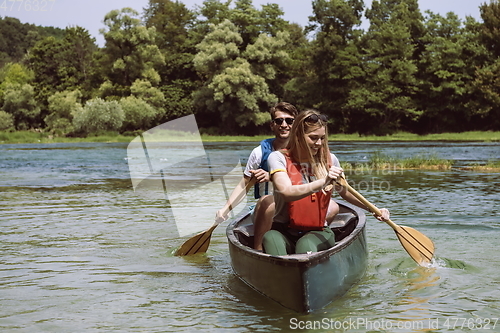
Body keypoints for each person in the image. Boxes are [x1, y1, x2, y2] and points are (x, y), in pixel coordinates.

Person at [262, 109, 390, 255]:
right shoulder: (277, 158)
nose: (319, 143)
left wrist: (374, 210)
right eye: (313, 138)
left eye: (322, 138)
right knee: (270, 237)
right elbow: (286, 192)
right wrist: (324, 181)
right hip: (282, 230)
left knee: (305, 245)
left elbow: (346, 192)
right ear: (298, 136)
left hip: (318, 231)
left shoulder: (330, 160)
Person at [215, 102, 298, 248]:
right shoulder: (259, 153)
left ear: (295, 124)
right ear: (272, 125)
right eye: (279, 121)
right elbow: (244, 185)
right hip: (265, 210)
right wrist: (225, 209)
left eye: (289, 120)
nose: (284, 124)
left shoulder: (304, 151)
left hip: (295, 207)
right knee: (268, 201)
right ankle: (258, 250)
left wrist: (271, 176)